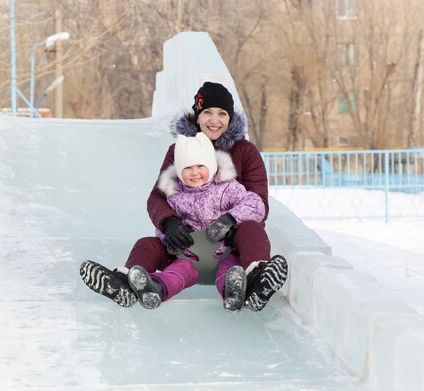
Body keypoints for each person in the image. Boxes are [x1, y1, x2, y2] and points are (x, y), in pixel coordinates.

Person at [80, 82, 287, 312]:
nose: (214, 120)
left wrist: (231, 221)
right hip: (188, 248)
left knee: (252, 229)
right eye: (207, 112)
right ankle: (127, 284)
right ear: (197, 116)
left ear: (231, 118)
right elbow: (158, 198)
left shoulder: (244, 153)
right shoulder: (178, 150)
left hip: (230, 246)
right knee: (147, 245)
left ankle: (255, 279)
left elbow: (258, 203)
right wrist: (169, 224)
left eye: (222, 113)